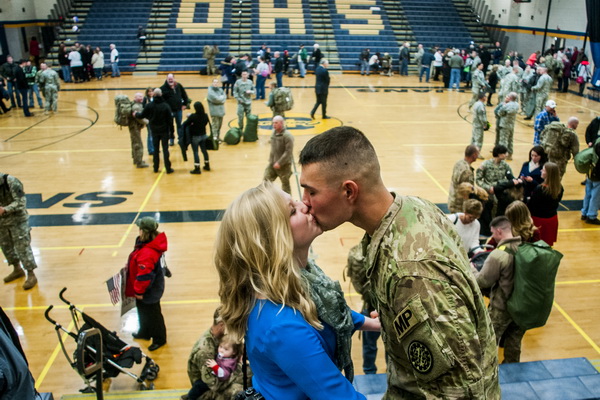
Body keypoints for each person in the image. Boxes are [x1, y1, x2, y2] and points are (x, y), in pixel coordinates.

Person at [298, 127, 500, 398]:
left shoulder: (411, 274)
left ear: (349, 191)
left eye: (311, 192)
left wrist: (415, 299)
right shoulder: (413, 208)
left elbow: (458, 392)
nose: (305, 204)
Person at [215, 182, 379, 399]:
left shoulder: (292, 282)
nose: (305, 206)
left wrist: (370, 323)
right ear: (272, 242)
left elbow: (325, 309)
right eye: (292, 211)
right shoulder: (284, 327)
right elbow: (338, 395)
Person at [472, 216, 525, 363]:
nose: (492, 236)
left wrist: (473, 270)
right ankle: (513, 370)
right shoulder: (525, 247)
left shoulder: (498, 254)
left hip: (502, 307)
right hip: (522, 305)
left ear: (499, 231)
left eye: (493, 233)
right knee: (514, 342)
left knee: (488, 341)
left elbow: (483, 281)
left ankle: (487, 371)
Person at [183, 307, 245, 400]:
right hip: (206, 389)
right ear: (221, 325)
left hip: (219, 377)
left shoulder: (218, 336)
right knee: (239, 392)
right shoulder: (204, 351)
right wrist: (239, 369)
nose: (233, 328)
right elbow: (214, 385)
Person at [126, 216, 167, 352]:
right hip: (146, 287)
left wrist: (139, 292)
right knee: (142, 311)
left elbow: (145, 276)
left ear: (144, 231)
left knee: (153, 315)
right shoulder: (145, 243)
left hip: (148, 290)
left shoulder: (148, 253)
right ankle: (145, 332)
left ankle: (159, 339)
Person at [345, 244, 382, 375]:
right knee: (391, 345)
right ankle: (391, 370)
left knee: (369, 346)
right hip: (385, 309)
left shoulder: (358, 253)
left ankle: (369, 372)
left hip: (369, 307)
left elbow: (356, 282)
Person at [0, 172, 39, 290]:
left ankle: (31, 274)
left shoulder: (11, 182)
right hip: (2, 222)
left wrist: (5, 209)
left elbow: (21, 203)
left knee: (22, 247)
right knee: (6, 247)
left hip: (18, 221)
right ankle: (17, 269)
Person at [133, 88, 174, 174]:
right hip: (164, 131)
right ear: (161, 94)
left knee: (156, 149)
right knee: (165, 149)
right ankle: (168, 168)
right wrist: (172, 132)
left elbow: (142, 115)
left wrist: (135, 114)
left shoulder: (149, 105)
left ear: (154, 95)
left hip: (154, 130)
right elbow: (170, 120)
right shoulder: (166, 106)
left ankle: (155, 167)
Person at [527, 162, 563, 246]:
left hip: (538, 220)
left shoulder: (540, 189)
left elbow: (531, 205)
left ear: (548, 173)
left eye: (543, 169)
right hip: (552, 219)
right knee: (547, 244)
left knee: (535, 244)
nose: (541, 171)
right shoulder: (559, 188)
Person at [264, 116, 294, 194]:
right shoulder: (273, 133)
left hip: (284, 166)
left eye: (276, 123)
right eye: (273, 123)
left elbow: (288, 152)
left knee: (285, 185)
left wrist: (279, 163)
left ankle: (288, 204)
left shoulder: (287, 136)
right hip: (272, 163)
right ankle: (266, 200)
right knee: (266, 182)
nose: (274, 125)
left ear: (281, 123)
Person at [448, 144, 479, 213]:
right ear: (474, 155)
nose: (478, 156)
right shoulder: (467, 171)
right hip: (459, 205)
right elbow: (466, 191)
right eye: (477, 154)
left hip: (452, 199)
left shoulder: (459, 163)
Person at [161, 73, 189, 148]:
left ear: (174, 78)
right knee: (170, 126)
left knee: (179, 125)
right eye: (169, 78)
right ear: (167, 79)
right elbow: (161, 100)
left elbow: (185, 95)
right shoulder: (163, 88)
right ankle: (171, 139)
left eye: (171, 78)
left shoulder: (179, 86)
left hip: (179, 110)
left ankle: (180, 139)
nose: (170, 80)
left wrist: (185, 104)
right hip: (169, 111)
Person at [182, 101, 210, 174]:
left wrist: (191, 123)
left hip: (195, 137)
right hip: (204, 135)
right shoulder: (205, 115)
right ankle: (207, 165)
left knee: (195, 152)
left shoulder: (193, 116)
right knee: (204, 150)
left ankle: (197, 168)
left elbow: (185, 124)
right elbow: (206, 123)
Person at [581, 137, 600, 225]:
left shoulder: (597, 139)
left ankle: (584, 213)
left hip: (590, 171)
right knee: (596, 196)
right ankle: (592, 216)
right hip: (598, 174)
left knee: (588, 193)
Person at [494, 92, 519, 159]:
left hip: (504, 125)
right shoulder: (517, 105)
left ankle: (502, 154)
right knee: (510, 140)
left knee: (503, 141)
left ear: (510, 98)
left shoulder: (506, 105)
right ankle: (510, 154)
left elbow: (499, 113)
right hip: (512, 124)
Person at [128, 93, 149, 169]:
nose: (141, 98)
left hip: (135, 127)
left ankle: (136, 159)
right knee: (138, 144)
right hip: (135, 128)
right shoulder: (136, 106)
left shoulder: (138, 104)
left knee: (135, 143)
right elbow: (140, 118)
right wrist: (148, 122)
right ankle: (139, 162)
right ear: (135, 97)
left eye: (142, 96)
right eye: (139, 96)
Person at [143, 87, 155, 156]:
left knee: (154, 135)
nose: (150, 93)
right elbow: (143, 109)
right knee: (150, 135)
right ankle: (150, 149)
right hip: (149, 120)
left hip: (155, 119)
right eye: (149, 92)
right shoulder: (145, 99)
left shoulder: (156, 98)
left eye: (151, 91)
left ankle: (155, 148)